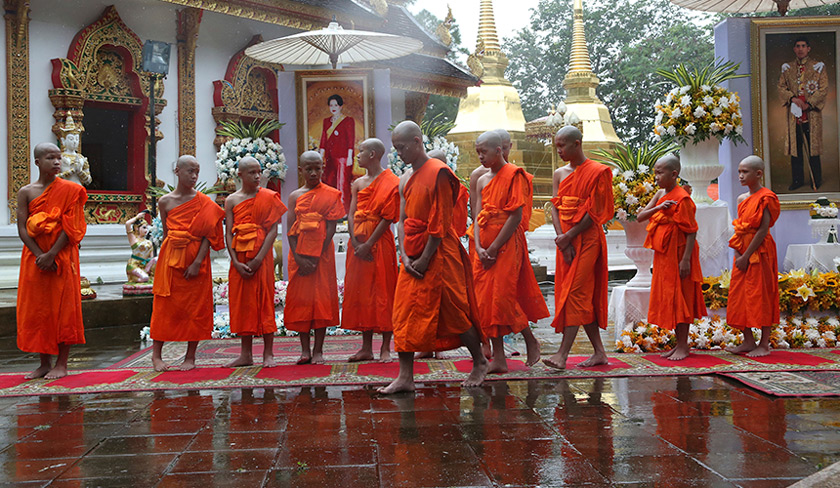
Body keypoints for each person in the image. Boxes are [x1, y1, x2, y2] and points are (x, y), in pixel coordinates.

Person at [379, 121, 488, 394]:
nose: (399, 153)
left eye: (402, 147)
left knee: (453, 312)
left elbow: (440, 220)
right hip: (411, 254)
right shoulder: (405, 177)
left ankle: (479, 361)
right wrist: (404, 255)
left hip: (439, 253)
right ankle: (405, 376)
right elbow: (402, 219)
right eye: (396, 148)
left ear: (417, 142)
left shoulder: (439, 173)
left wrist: (425, 258)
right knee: (403, 313)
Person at [472, 131, 549, 373]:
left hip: (505, 245)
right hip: (483, 246)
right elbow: (476, 215)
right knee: (485, 300)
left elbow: (516, 215)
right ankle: (499, 358)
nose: (480, 157)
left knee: (502, 298)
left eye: (484, 152)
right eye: (477, 152)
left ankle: (530, 340)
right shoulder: (482, 180)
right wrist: (477, 246)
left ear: (499, 150)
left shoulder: (514, 175)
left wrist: (494, 247)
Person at [16, 142, 88, 379]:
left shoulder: (71, 190)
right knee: (37, 309)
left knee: (63, 308)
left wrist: (52, 254)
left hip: (62, 256)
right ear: (37, 162)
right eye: (50, 158)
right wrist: (39, 255)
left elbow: (72, 227)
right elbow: (22, 228)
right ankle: (44, 362)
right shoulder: (26, 192)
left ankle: (62, 364)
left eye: (59, 158)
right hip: (34, 258)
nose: (57, 162)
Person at [544, 126, 613, 370]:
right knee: (581, 294)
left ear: (578, 143)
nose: (559, 150)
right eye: (557, 146)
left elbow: (595, 212)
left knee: (575, 293)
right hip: (566, 240)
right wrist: (562, 239)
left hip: (588, 239)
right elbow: (555, 207)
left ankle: (562, 354)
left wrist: (570, 235)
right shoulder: (559, 173)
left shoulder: (598, 172)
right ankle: (599, 352)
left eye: (563, 145)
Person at [150, 155, 225, 372]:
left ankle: (190, 357)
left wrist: (197, 262)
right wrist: (163, 261)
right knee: (164, 307)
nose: (194, 176)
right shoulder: (165, 201)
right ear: (177, 172)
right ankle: (157, 356)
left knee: (195, 308)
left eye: (197, 172)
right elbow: (167, 233)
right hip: (171, 259)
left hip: (196, 260)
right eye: (189, 171)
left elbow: (209, 236)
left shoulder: (204, 202)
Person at [637, 154, 706, 361]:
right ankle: (678, 345)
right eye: (655, 172)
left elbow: (692, 230)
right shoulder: (660, 194)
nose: (656, 177)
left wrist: (685, 260)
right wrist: (658, 207)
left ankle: (684, 346)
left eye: (660, 172)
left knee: (681, 297)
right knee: (670, 297)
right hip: (664, 255)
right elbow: (641, 217)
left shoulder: (682, 198)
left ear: (674, 174)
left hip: (679, 253)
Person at [225, 157, 287, 368]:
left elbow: (273, 230)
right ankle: (245, 354)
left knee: (264, 299)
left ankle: (268, 353)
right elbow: (228, 233)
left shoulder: (269, 197)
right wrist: (234, 261)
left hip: (262, 256)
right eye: (251, 172)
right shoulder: (231, 200)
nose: (257, 176)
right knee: (243, 303)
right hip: (240, 258)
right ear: (240, 175)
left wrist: (260, 257)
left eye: (259, 171)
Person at [285, 151, 345, 364]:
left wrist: (318, 253)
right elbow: (290, 230)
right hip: (299, 256)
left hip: (322, 256)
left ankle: (318, 350)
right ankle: (304, 350)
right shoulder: (295, 196)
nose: (313, 173)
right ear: (300, 170)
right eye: (308, 169)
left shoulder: (331, 194)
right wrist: (299, 257)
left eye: (317, 168)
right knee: (302, 301)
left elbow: (331, 227)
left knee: (321, 300)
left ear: (323, 168)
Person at [343, 139, 399, 362]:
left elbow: (388, 217)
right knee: (362, 292)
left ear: (373, 154)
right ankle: (366, 347)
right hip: (357, 244)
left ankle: (386, 346)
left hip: (379, 242)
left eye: (361, 152)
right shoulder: (358, 183)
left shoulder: (392, 181)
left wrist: (369, 243)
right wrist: (356, 242)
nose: (357, 156)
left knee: (383, 291)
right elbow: (350, 213)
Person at [725, 156, 780, 357]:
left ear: (758, 174)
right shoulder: (742, 199)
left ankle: (764, 343)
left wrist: (747, 255)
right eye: (739, 171)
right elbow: (740, 228)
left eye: (745, 172)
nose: (740, 176)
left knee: (762, 294)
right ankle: (748, 340)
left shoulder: (767, 197)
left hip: (760, 251)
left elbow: (762, 230)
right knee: (738, 295)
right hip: (742, 250)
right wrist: (739, 253)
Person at [778, 36, 828, 191]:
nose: (800, 49)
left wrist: (809, 103)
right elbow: (781, 87)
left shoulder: (817, 67)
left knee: (812, 147)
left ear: (808, 48)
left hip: (811, 113)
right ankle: (797, 180)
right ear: (794, 49)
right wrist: (792, 98)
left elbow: (823, 88)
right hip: (794, 114)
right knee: (796, 148)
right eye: (797, 46)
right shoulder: (788, 68)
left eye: (803, 46)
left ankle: (816, 179)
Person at [319, 94, 356, 212]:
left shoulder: (348, 120)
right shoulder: (326, 121)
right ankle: (331, 209)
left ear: (341, 106)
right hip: (330, 157)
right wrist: (320, 156)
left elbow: (351, 139)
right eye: (331, 105)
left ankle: (343, 210)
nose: (333, 107)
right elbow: (323, 139)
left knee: (342, 183)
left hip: (343, 157)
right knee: (329, 182)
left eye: (336, 105)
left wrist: (350, 156)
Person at [125, 211, 156, 283]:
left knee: (156, 259)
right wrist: (137, 217)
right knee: (145, 278)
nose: (146, 230)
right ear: (136, 228)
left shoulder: (149, 242)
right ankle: (134, 281)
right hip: (134, 265)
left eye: (147, 228)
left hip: (145, 266)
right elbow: (127, 224)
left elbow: (151, 258)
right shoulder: (134, 239)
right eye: (144, 227)